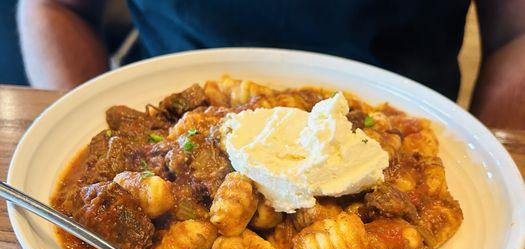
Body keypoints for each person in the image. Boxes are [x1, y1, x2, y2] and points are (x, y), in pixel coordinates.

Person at [17, 0, 525, 129]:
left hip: (406, 123)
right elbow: (55, 7)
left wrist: (491, 167)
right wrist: (78, 125)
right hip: (169, 119)